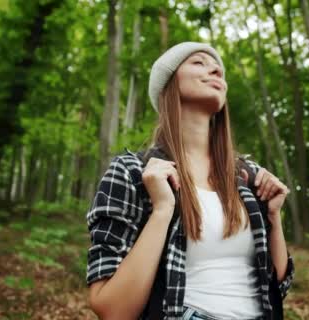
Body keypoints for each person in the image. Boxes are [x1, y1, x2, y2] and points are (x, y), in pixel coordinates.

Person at [85, 42, 294, 320]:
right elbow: (112, 310)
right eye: (198, 62)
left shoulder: (248, 175)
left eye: (217, 67)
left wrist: (274, 217)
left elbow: (276, 286)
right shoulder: (133, 172)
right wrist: (162, 210)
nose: (216, 69)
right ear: (168, 84)